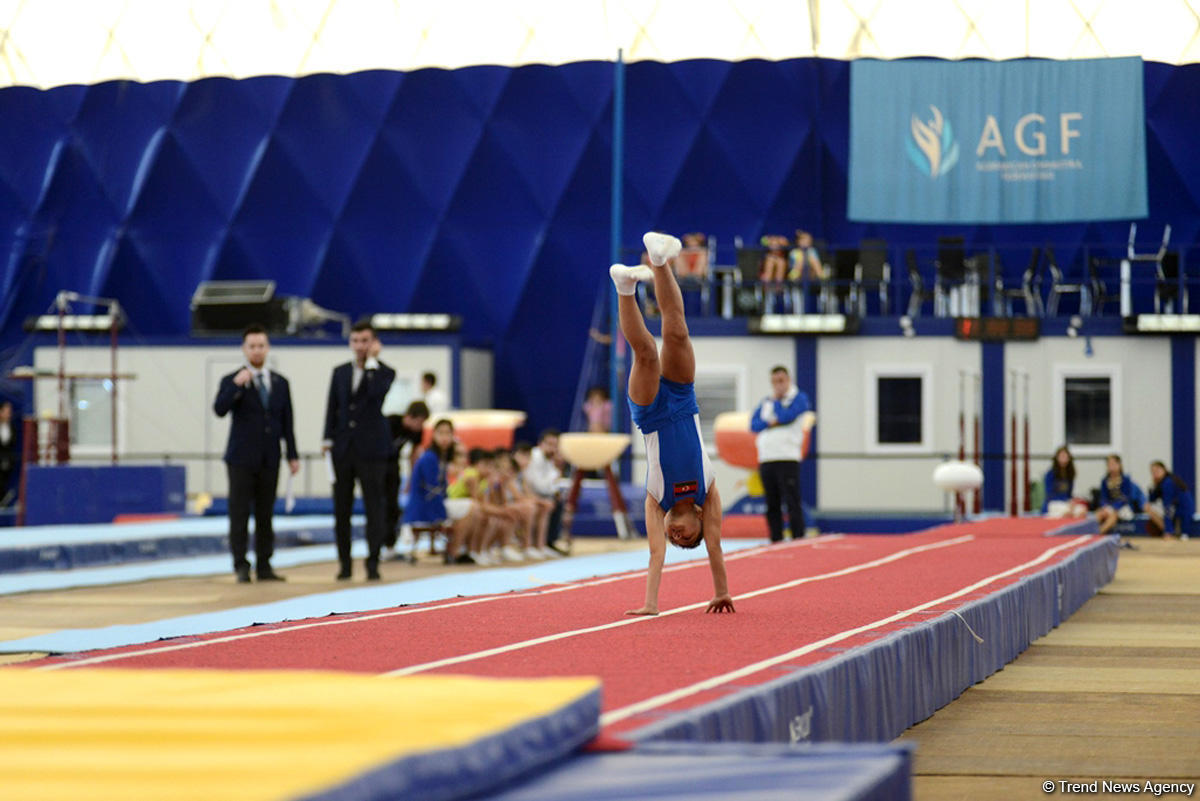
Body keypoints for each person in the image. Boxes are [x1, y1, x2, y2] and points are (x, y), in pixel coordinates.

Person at [610, 231, 734, 616]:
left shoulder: (656, 500)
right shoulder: (707, 492)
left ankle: (625, 288)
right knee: (676, 330)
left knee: (646, 353)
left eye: (675, 539)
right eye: (687, 539)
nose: (678, 539)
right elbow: (714, 546)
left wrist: (650, 605)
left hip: (649, 415)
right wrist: (722, 591)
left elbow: (654, 554)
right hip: (682, 402)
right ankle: (659, 259)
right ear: (700, 519)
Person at [212, 325, 300, 583]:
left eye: (261, 345)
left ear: (267, 347)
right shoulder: (232, 380)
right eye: (252, 346)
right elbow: (219, 409)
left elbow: (287, 421)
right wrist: (236, 387)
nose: (257, 350)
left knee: (265, 514)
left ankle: (264, 565)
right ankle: (241, 564)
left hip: (269, 458)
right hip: (240, 459)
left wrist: (292, 454)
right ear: (244, 349)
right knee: (239, 513)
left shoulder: (280, 383)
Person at [323, 319, 396, 580]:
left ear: (373, 343)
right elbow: (333, 407)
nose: (360, 346)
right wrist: (327, 439)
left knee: (374, 507)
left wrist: (373, 364)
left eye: (365, 341)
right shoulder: (340, 372)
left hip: (372, 450)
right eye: (355, 341)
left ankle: (373, 562)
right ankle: (344, 564)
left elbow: (376, 396)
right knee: (341, 509)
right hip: (343, 449)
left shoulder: (385, 372)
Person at [402, 417, 478, 564]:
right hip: (424, 506)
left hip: (435, 502)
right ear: (434, 435)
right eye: (440, 433)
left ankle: (463, 550)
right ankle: (454, 551)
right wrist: (441, 516)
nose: (444, 437)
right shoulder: (430, 458)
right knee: (473, 507)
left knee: (475, 508)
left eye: (448, 433)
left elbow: (440, 489)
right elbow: (433, 491)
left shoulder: (441, 457)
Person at [750, 366, 812, 543]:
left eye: (781, 381)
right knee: (772, 502)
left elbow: (786, 416)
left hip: (787, 457)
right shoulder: (765, 402)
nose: (778, 385)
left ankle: (797, 537)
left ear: (788, 380)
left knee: (791, 500)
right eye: (775, 382)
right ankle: (775, 538)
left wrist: (777, 403)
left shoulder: (798, 398)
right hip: (767, 457)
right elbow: (754, 425)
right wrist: (772, 422)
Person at [384, 400, 430, 558]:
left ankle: (390, 545)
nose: (420, 426)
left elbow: (414, 455)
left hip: (393, 466)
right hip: (377, 465)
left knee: (393, 506)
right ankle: (378, 544)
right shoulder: (390, 422)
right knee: (380, 505)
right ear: (410, 416)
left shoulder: (417, 431)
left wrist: (411, 480)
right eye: (419, 422)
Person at [523, 428, 567, 553]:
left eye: (555, 445)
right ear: (540, 443)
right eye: (549, 444)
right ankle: (538, 544)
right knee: (548, 503)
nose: (553, 449)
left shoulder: (548, 459)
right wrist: (557, 468)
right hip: (529, 493)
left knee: (557, 500)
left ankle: (549, 542)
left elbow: (550, 486)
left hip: (538, 493)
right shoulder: (535, 457)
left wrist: (555, 492)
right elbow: (540, 485)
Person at [1094, 454, 1145, 535]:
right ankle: (1090, 531)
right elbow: (1103, 497)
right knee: (1098, 513)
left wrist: (1114, 508)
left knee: (1114, 515)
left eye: (1114, 464)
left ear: (1119, 465)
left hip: (1123, 506)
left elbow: (1125, 498)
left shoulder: (1125, 480)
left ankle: (1098, 533)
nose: (1112, 467)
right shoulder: (1105, 480)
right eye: (1109, 465)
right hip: (1109, 506)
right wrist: (1105, 507)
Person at [1146, 460, 1195, 539]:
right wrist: (1154, 486)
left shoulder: (1168, 482)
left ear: (1164, 470)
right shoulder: (1161, 483)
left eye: (1158, 470)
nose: (1155, 473)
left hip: (1183, 512)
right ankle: (1170, 531)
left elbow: (1168, 506)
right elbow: (1152, 500)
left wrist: (1168, 531)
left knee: (1150, 508)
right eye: (1153, 471)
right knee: (1148, 506)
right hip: (1176, 510)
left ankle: (1170, 531)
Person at [1042, 445, 1084, 518]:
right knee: (1067, 512)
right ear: (1057, 458)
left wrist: (1072, 501)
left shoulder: (1069, 475)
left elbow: (1069, 494)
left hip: (1065, 503)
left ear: (1069, 458)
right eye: (1061, 456)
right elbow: (1049, 494)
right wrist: (1066, 502)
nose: (1064, 458)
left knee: (1082, 511)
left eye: (1065, 456)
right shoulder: (1050, 474)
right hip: (1053, 503)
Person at [0, 400, 16, 506]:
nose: (9, 414)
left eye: (10, 412)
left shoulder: (12, 428)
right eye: (6, 411)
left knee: (4, 481)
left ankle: (4, 501)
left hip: (7, 461)